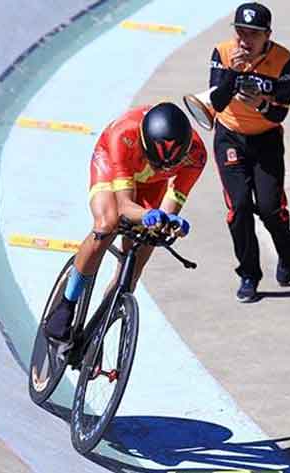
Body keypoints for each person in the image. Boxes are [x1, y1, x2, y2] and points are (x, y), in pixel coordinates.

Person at [43, 102, 207, 341]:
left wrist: (170, 223)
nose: (160, 167)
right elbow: (123, 205)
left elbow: (171, 207)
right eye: (156, 161)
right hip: (112, 166)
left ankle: (99, 329)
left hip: (151, 184)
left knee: (147, 242)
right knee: (107, 224)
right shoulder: (124, 135)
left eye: (169, 166)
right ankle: (66, 305)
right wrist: (146, 215)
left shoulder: (196, 155)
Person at [207, 2, 290, 303]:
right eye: (240, 32)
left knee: (271, 210)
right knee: (240, 207)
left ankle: (287, 247)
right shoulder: (222, 53)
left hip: (266, 139)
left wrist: (259, 103)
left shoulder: (284, 61)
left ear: (267, 35)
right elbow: (217, 102)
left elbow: (278, 115)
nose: (245, 40)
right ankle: (249, 273)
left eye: (253, 34)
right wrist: (233, 72)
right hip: (230, 137)